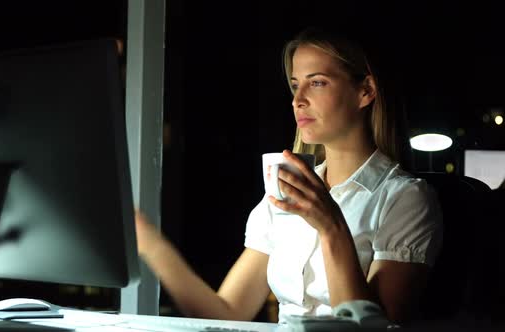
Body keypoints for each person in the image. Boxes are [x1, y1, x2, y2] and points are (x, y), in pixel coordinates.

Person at [135, 27, 443, 325]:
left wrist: (331, 228)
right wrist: (150, 244)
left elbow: (370, 325)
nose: (298, 100)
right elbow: (227, 312)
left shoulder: (405, 199)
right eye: (295, 85)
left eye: (317, 83)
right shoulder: (285, 192)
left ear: (366, 91)